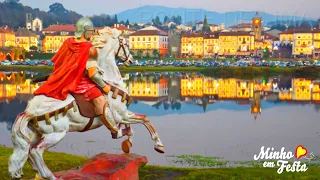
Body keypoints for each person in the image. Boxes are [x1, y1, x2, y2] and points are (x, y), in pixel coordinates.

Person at [33, 17, 120, 137]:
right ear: (85, 30)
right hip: (81, 84)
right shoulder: (90, 48)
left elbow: (58, 63)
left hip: (65, 81)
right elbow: (93, 74)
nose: (91, 33)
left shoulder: (67, 42)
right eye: (90, 30)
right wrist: (104, 86)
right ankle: (114, 130)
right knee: (101, 101)